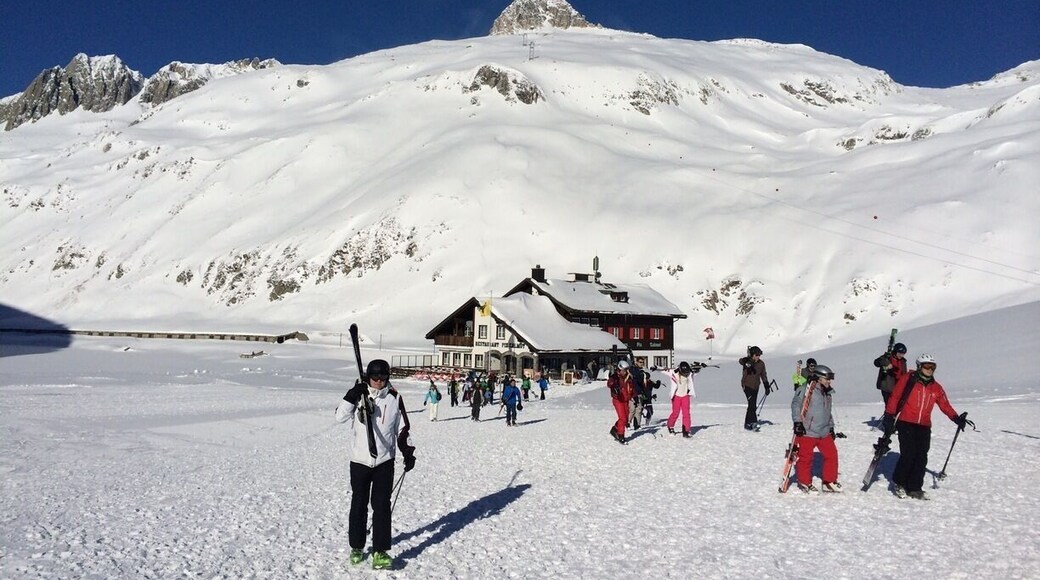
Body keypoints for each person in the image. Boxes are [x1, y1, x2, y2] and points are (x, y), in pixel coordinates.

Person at [335, 359, 416, 570]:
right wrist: (352, 395)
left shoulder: (395, 397)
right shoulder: (359, 395)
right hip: (360, 460)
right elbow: (339, 417)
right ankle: (357, 546)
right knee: (359, 504)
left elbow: (401, 428)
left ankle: (380, 551)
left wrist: (406, 451)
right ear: (368, 377)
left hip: (384, 461)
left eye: (383, 378)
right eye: (375, 378)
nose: (379, 382)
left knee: (381, 506)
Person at [881, 354, 971, 500]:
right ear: (919, 366)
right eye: (927, 366)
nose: (930, 370)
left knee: (921, 457)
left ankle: (915, 487)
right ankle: (899, 483)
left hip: (924, 425)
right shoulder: (908, 380)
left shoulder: (935, 387)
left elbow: (944, 404)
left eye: (933, 367)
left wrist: (956, 418)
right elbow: (895, 397)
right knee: (908, 454)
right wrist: (889, 415)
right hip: (906, 422)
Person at [791, 364, 843, 493]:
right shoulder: (806, 389)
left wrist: (831, 427)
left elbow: (827, 412)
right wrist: (797, 422)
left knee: (832, 455)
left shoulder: (827, 393)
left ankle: (829, 481)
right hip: (808, 431)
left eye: (830, 379)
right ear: (819, 378)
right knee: (806, 458)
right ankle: (804, 482)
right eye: (827, 378)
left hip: (824, 431)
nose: (829, 381)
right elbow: (796, 405)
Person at [738, 346, 770, 431]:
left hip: (756, 386)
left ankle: (748, 422)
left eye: (759, 355)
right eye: (756, 355)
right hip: (747, 385)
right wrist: (746, 360)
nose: (758, 357)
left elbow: (763, 375)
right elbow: (741, 361)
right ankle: (752, 423)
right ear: (752, 355)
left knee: (752, 404)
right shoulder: (747, 361)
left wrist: (766, 385)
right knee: (751, 403)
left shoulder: (761, 363)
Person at [606, 360, 636, 444]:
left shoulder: (628, 377)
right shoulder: (615, 376)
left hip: (626, 399)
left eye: (627, 369)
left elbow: (631, 388)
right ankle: (621, 435)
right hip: (618, 400)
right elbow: (610, 383)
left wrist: (635, 396)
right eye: (624, 370)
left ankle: (615, 429)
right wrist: (614, 386)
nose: (626, 371)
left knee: (626, 419)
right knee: (622, 418)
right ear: (619, 369)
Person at [666, 361, 696, 437]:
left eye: (687, 373)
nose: (686, 374)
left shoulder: (689, 373)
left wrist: (700, 367)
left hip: (685, 395)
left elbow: (696, 370)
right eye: (684, 373)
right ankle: (670, 425)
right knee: (676, 413)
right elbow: (664, 370)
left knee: (686, 413)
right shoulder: (674, 373)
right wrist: (656, 368)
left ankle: (686, 430)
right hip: (676, 396)